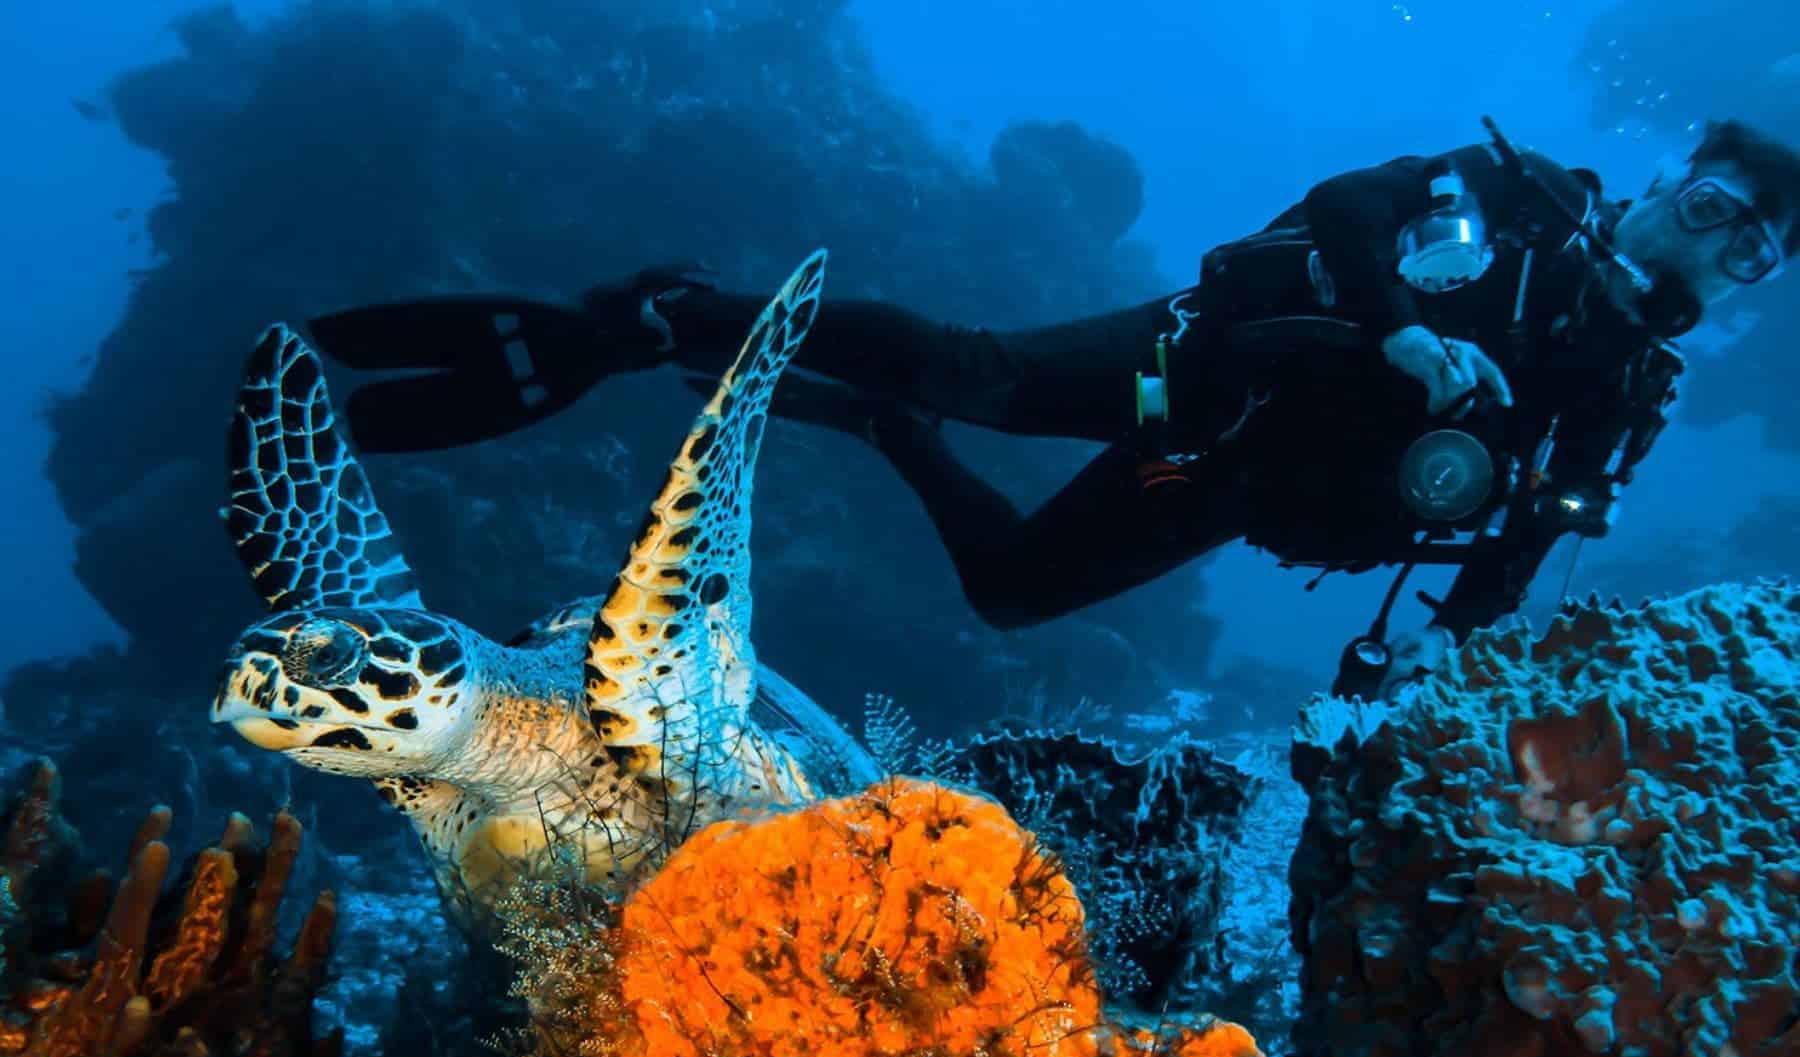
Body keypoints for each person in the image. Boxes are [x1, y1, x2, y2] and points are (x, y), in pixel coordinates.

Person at [308, 116, 1798, 700]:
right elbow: (1346, 205)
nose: (1723, 247)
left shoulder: (1626, 399)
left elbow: (1513, 562)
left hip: (1225, 490)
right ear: (1672, 178)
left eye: (1759, 251)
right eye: (1722, 206)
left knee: (1012, 594)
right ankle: (660, 316)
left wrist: (1444, 688)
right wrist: (1404, 330)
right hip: (1205, 365)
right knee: (981, 371)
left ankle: (886, 431)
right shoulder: (1518, 206)